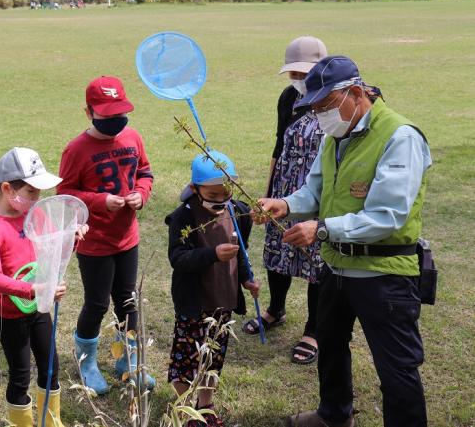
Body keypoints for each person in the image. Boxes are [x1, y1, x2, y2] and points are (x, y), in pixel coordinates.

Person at [252, 56, 431, 427]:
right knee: (331, 345)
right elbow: (315, 190)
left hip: (383, 273)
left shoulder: (400, 137)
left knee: (397, 369)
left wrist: (320, 230)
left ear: (354, 93)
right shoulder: (336, 136)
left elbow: (388, 215)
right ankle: (334, 415)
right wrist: (285, 204)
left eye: (324, 107)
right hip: (336, 266)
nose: (320, 117)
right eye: (314, 109)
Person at [57, 75, 155, 395]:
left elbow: (144, 172)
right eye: (106, 115)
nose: (115, 121)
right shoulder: (76, 149)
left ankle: (128, 359)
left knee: (128, 301)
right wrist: (100, 201)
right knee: (97, 303)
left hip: (127, 237)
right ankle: (87, 361)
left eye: (119, 114)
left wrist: (141, 193)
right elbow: (66, 192)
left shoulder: (133, 138)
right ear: (88, 112)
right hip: (95, 242)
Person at [0, 147, 86, 426]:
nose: (38, 199)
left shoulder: (34, 214)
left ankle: (51, 421)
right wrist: (34, 290)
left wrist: (72, 238)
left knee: (51, 368)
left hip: (39, 307)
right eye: (31, 192)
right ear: (6, 189)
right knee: (20, 375)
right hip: (10, 315)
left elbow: (53, 251)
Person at [243, 36, 327, 365]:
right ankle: (276, 310)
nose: (298, 80)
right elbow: (279, 148)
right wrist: (268, 193)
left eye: (303, 73)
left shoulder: (334, 100)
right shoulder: (289, 98)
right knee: (278, 251)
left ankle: (314, 328)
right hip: (284, 190)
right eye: (293, 74)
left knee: (316, 261)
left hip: (318, 191)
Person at [166, 152, 260, 427]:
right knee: (187, 359)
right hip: (194, 302)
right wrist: (212, 254)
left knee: (213, 357)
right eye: (213, 193)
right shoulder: (183, 216)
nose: (221, 199)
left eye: (226, 191)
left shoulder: (238, 211)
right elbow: (178, 259)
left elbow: (240, 251)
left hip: (224, 300)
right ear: (195, 188)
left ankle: (205, 406)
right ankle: (183, 410)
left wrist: (246, 279)